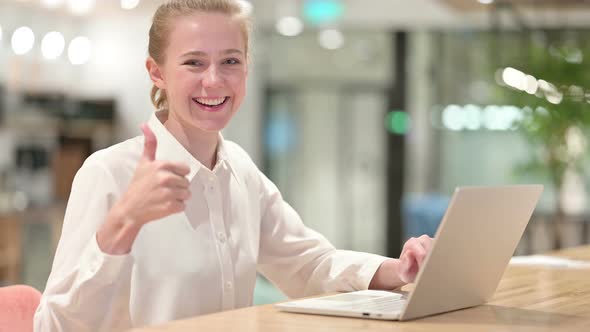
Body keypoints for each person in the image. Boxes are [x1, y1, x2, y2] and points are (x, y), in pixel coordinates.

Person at [34, 0, 433, 331]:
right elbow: (52, 325)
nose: (215, 81)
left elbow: (310, 263)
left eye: (230, 61)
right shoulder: (108, 173)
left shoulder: (240, 170)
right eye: (193, 63)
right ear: (156, 72)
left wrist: (399, 269)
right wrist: (122, 223)